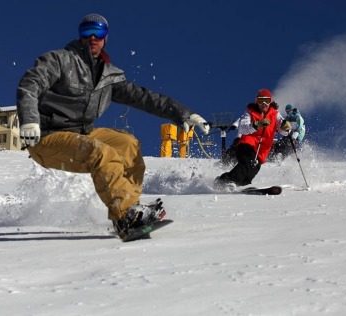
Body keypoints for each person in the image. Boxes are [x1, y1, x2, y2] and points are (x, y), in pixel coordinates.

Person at [16, 13, 210, 239]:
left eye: (98, 33)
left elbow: (145, 98)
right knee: (101, 152)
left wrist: (183, 114)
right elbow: (30, 83)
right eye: (86, 32)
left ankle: (130, 210)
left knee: (128, 144)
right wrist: (29, 119)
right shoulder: (60, 60)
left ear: (105, 38)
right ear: (80, 35)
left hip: (81, 133)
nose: (92, 38)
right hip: (47, 137)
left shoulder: (108, 77)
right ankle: (126, 214)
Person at [214, 88, 291, 190]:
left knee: (249, 176)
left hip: (261, 151)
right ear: (256, 102)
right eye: (260, 100)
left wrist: (286, 127)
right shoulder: (250, 113)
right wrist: (256, 125)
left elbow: (283, 130)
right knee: (248, 164)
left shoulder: (275, 114)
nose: (264, 103)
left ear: (271, 101)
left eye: (267, 100)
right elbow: (242, 128)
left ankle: (222, 180)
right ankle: (229, 181)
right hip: (247, 145)